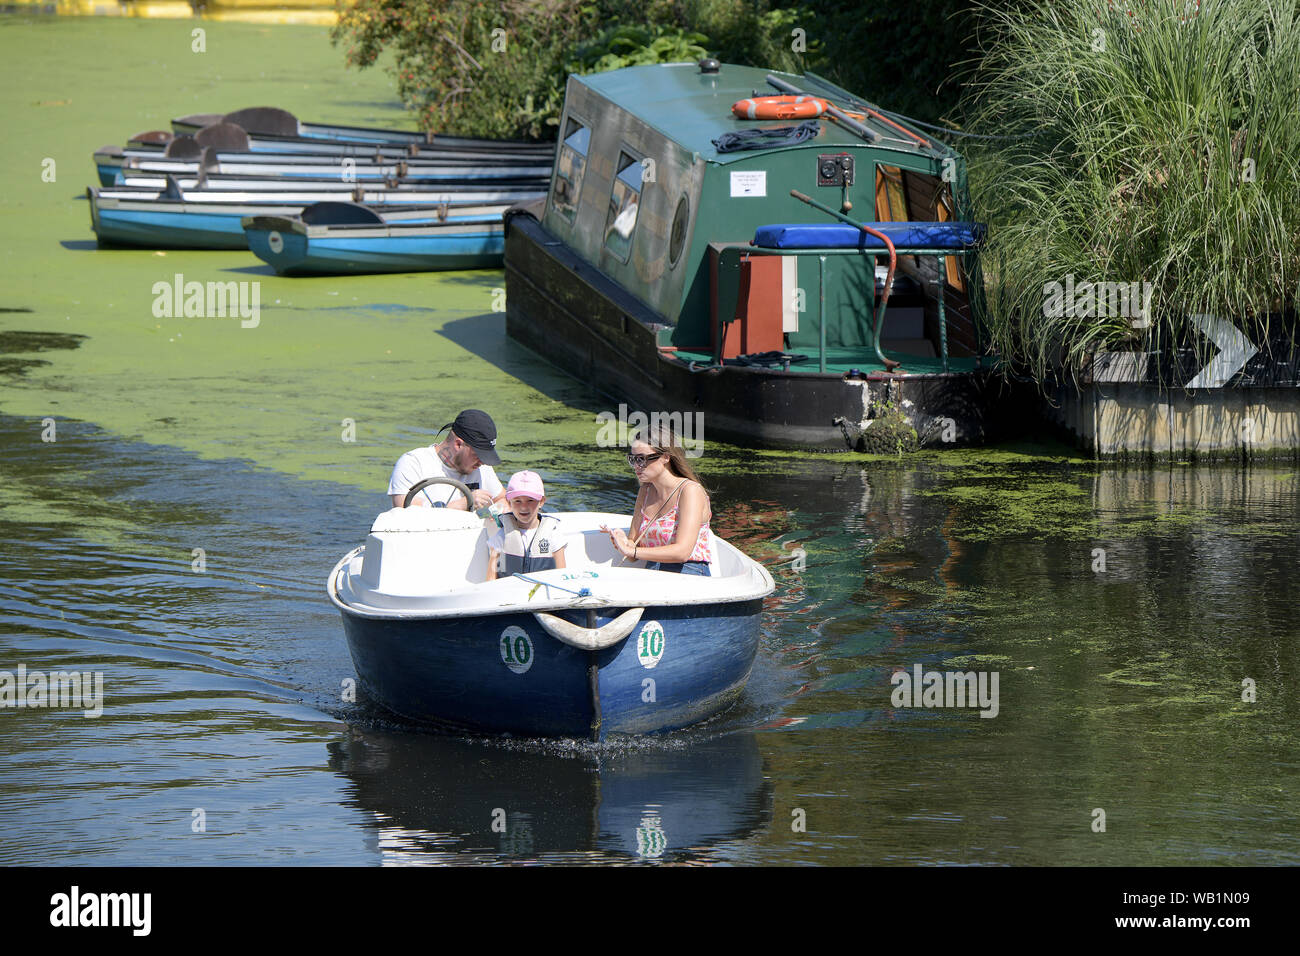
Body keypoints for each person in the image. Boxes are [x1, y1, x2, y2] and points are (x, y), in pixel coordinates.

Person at [601, 423, 713, 575]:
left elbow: (683, 552)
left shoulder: (689, 491)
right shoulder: (645, 491)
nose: (636, 466)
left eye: (641, 459)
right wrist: (622, 542)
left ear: (665, 457)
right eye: (632, 459)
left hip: (689, 572)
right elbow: (633, 551)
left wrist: (632, 550)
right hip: (653, 573)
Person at [387, 409, 506, 511]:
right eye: (479, 455)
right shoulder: (413, 463)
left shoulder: (481, 468)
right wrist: (464, 503)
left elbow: (503, 499)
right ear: (458, 444)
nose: (483, 462)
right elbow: (404, 510)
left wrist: (499, 511)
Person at [484, 471, 568, 580]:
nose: (524, 507)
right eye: (517, 501)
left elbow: (561, 574)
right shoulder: (502, 536)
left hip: (542, 592)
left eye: (530, 500)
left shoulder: (553, 535)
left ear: (541, 502)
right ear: (509, 503)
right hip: (509, 593)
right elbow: (491, 580)